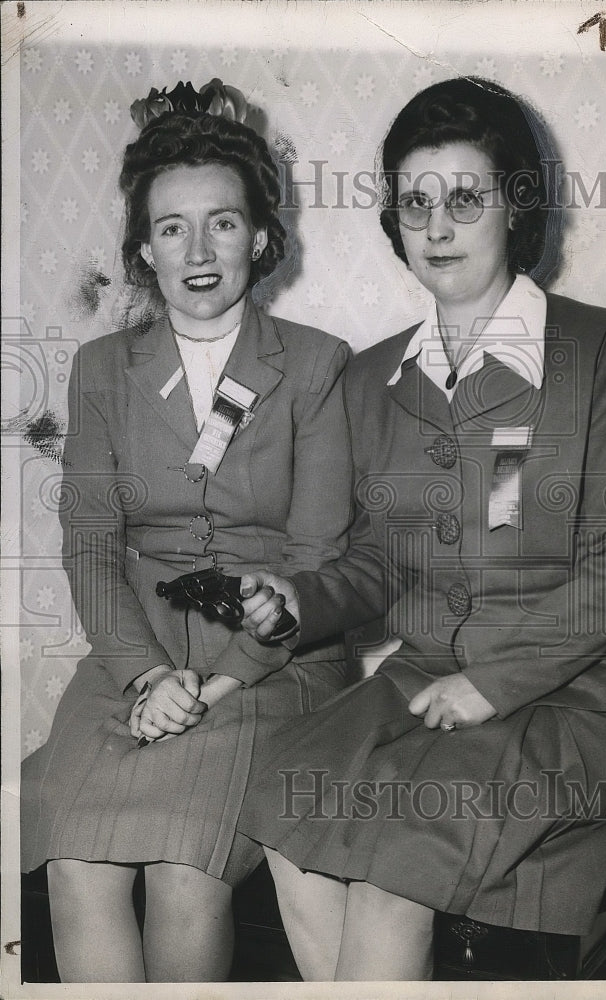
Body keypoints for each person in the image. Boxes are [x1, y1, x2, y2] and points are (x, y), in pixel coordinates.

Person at [237, 76, 606, 981]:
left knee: (401, 860)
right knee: (283, 794)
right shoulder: (371, 380)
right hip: (425, 679)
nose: (437, 227)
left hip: (582, 697)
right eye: (415, 203)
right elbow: (372, 563)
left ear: (516, 208)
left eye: (465, 199)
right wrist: (298, 603)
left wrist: (497, 679)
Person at [20, 78, 359, 983]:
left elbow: (317, 561)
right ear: (143, 249)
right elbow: (90, 544)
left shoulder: (319, 367)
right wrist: (144, 674)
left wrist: (212, 686)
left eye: (221, 222)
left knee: (181, 864)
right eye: (172, 227)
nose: (199, 249)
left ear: (259, 236)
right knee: (76, 864)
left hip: (269, 659)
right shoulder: (100, 369)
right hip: (137, 651)